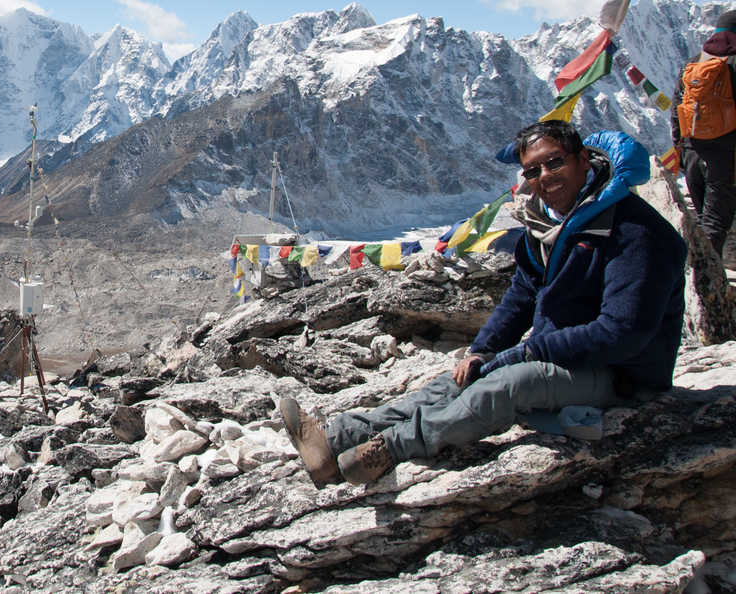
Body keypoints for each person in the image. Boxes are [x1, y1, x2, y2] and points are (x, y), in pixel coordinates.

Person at [280, 120, 687, 486]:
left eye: (555, 162)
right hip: (563, 354)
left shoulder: (635, 232)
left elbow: (623, 333)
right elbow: (523, 295)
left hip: (622, 376)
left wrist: (528, 352)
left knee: (508, 385)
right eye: (533, 170)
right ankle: (335, 440)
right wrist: (483, 350)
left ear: (583, 159)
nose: (545, 176)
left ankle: (387, 450)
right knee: (458, 380)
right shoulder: (553, 225)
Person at [672, 9, 736, 257]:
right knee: (716, 223)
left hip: (691, 153)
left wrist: (680, 149)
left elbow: (677, 110)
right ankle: (705, 286)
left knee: (701, 222)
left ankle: (697, 274)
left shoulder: (694, 63)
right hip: (725, 155)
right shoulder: (732, 64)